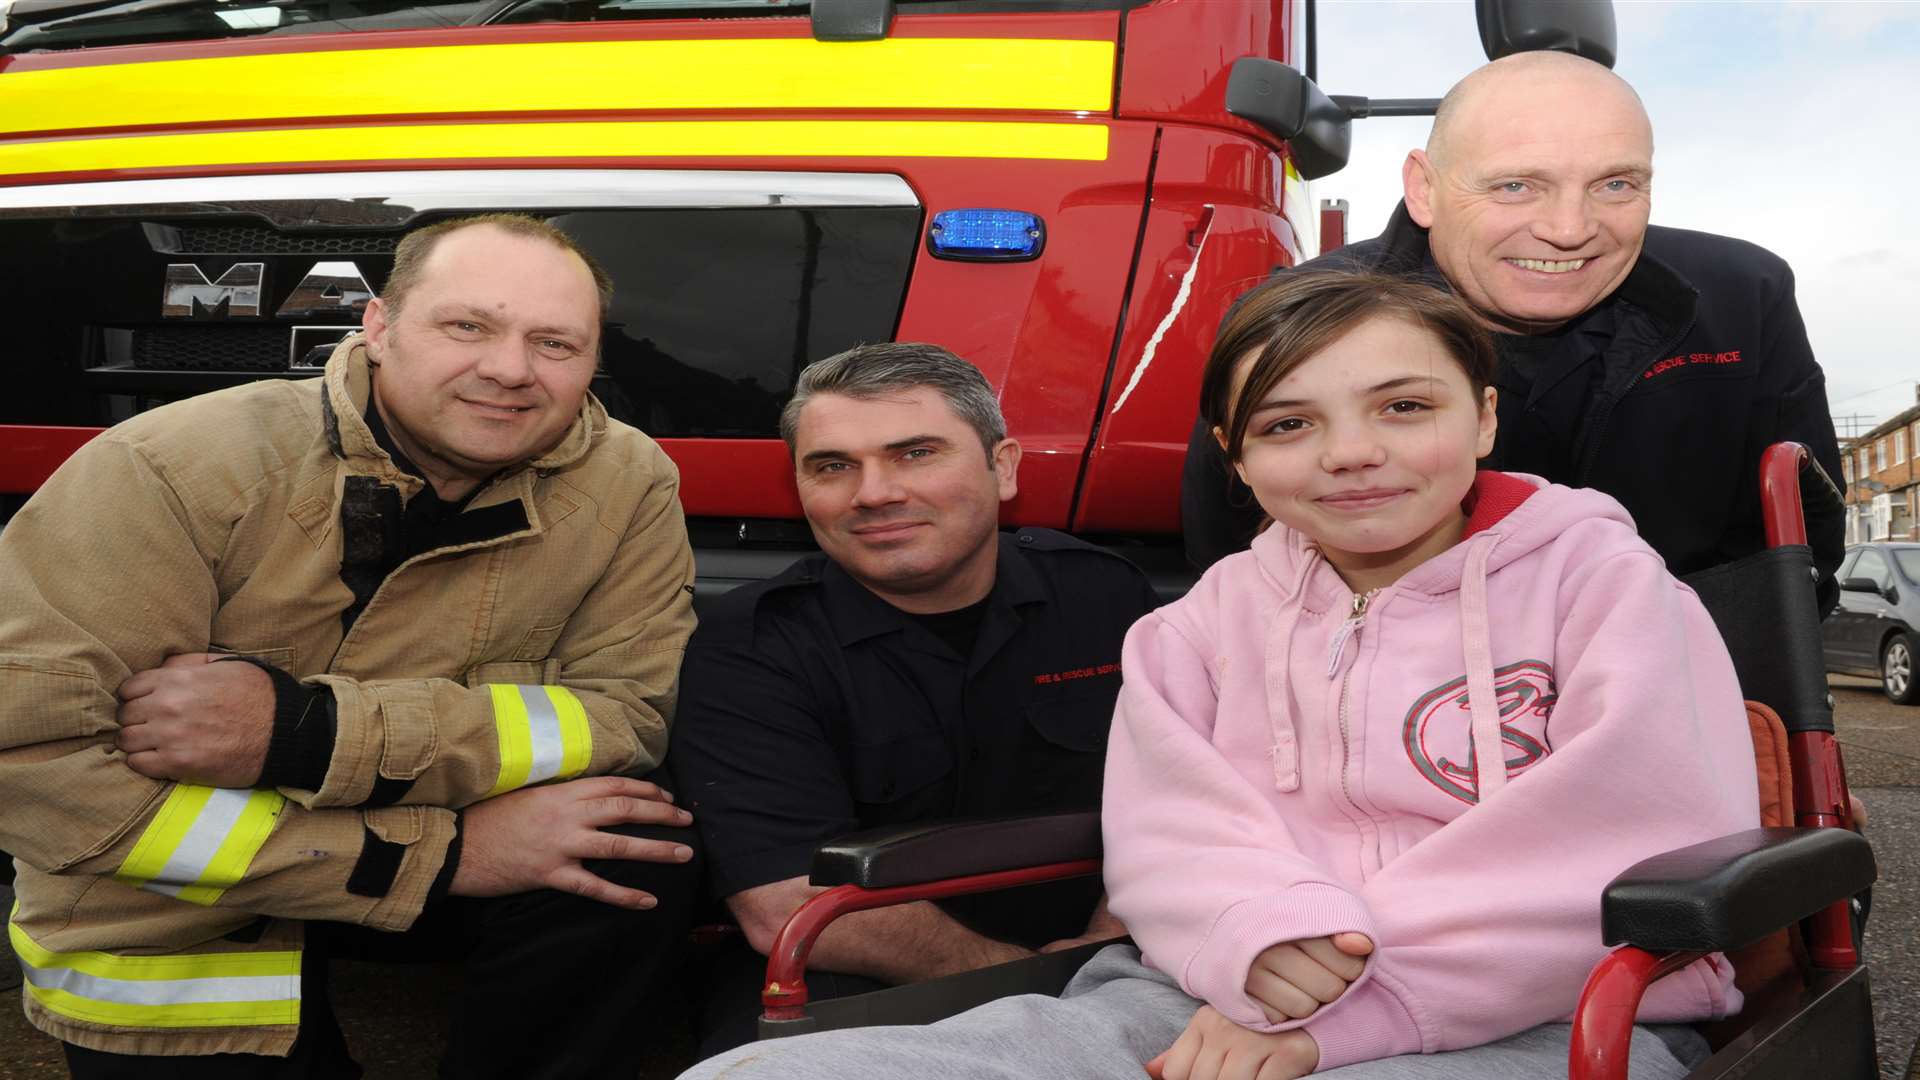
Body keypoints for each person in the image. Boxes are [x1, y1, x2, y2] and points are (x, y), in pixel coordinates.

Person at [679, 269, 1761, 1080]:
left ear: (1482, 416)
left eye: (1404, 406)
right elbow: (1168, 833)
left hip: (1555, 1007)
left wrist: (1336, 1009)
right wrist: (1255, 939)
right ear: (1233, 459)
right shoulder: (1194, 626)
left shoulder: (1608, 589)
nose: (1349, 453)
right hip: (1204, 986)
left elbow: (1627, 840)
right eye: (1290, 424)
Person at [0, 214, 701, 1078]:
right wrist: (431, 854)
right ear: (376, 326)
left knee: (635, 849)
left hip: (443, 831)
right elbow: (36, 761)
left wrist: (309, 731)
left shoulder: (627, 482)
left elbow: (627, 713)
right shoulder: (172, 467)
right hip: (181, 914)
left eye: (555, 343)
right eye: (467, 325)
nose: (511, 370)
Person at [1183, 50, 1845, 614]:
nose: (1568, 227)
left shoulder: (1742, 298)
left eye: (1615, 183)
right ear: (1425, 188)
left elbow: (1792, 551)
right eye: (1516, 186)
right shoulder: (1300, 320)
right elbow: (1236, 550)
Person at [670, 342, 1160, 1056]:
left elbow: (1184, 796)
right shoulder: (751, 644)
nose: (872, 493)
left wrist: (1112, 941)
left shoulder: (1103, 594)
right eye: (833, 466)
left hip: (1116, 954)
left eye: (915, 453)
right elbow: (786, 903)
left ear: (1003, 468)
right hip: (861, 977)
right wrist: (1027, 985)